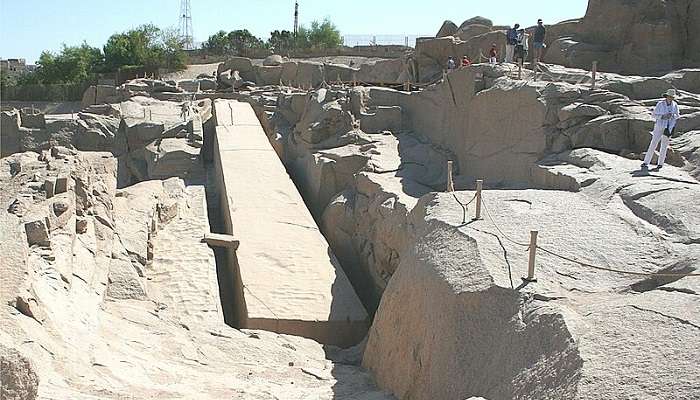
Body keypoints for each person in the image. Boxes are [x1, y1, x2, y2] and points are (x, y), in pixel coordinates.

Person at [642, 89, 680, 170]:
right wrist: (662, 116)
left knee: (664, 145)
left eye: (672, 97)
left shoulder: (675, 105)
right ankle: (646, 162)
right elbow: (654, 115)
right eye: (669, 96)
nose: (670, 98)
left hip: (669, 127)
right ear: (666, 96)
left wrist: (672, 115)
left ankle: (660, 163)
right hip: (659, 125)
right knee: (654, 143)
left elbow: (677, 115)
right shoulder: (660, 104)